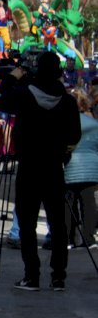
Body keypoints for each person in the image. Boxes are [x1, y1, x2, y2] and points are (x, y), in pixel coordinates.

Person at [0, 53, 81, 290]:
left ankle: (31, 276)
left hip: (29, 166)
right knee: (58, 224)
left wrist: (12, 78)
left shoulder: (23, 93)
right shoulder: (68, 101)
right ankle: (58, 276)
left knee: (28, 223)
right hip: (54, 167)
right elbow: (74, 136)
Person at [63, 90, 98, 249]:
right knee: (89, 204)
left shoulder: (64, 122)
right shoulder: (94, 124)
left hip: (70, 168)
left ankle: (70, 239)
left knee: (68, 204)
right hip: (91, 168)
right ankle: (89, 238)